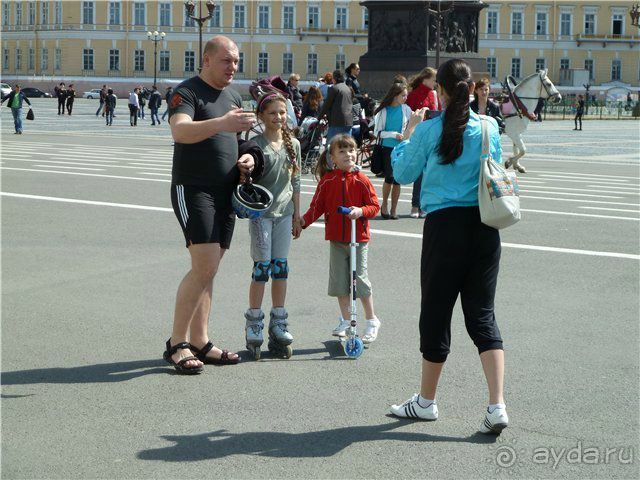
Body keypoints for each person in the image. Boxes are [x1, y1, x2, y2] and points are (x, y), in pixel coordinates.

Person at [390, 59, 508, 434]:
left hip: (444, 228)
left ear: (439, 91)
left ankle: (426, 401)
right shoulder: (488, 126)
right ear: (472, 89)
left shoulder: (428, 130)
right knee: (483, 315)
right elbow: (497, 170)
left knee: (437, 312)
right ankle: (497, 405)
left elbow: (402, 173)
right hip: (485, 228)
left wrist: (405, 135)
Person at [166, 35, 257, 374]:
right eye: (226, 60)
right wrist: (223, 123)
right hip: (193, 190)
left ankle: (201, 340)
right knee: (203, 265)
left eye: (236, 61)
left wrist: (247, 156)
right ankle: (177, 343)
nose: (233, 66)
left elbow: (237, 138)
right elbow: (180, 131)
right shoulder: (187, 92)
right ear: (206, 60)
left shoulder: (233, 95)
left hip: (225, 192)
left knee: (211, 268)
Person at [296, 134, 381, 345]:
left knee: (359, 279)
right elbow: (317, 207)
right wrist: (302, 223)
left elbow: (374, 206)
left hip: (358, 238)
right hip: (337, 239)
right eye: (342, 151)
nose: (348, 155)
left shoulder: (362, 180)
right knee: (339, 282)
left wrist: (360, 211)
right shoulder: (328, 181)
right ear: (332, 157)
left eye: (351, 150)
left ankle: (371, 320)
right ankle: (345, 320)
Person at [244, 93, 302, 359]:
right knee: (261, 269)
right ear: (261, 116)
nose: (278, 118)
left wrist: (297, 215)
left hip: (284, 213)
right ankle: (254, 320)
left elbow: (296, 183)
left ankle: (279, 320)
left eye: (282, 113)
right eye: (272, 113)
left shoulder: (294, 145)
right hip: (261, 216)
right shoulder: (254, 145)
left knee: (281, 268)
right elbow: (245, 180)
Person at [373, 81, 412, 220]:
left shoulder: (406, 109)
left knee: (398, 180)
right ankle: (384, 205)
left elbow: (411, 126)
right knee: (389, 178)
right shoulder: (383, 110)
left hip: (401, 148)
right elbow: (377, 132)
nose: (405, 98)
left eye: (406, 95)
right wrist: (394, 134)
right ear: (395, 96)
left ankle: (394, 209)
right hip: (387, 148)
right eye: (403, 95)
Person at [406, 67, 439, 219]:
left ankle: (424, 205)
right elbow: (409, 115)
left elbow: (436, 112)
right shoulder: (413, 95)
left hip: (431, 135)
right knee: (419, 172)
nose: (435, 83)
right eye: (433, 80)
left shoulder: (433, 94)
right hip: (418, 135)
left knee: (429, 172)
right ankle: (415, 204)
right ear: (425, 79)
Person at [318, 70, 353, 144]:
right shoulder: (348, 89)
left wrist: (319, 118)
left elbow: (326, 105)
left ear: (334, 79)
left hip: (337, 122)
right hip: (349, 121)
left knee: (331, 147)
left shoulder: (334, 88)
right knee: (346, 146)